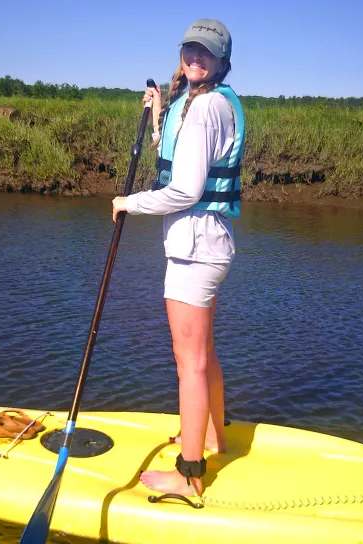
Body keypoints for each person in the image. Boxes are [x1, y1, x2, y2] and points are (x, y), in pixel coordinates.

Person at [111, 18, 245, 498]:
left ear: (222, 63)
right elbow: (172, 154)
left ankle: (190, 475)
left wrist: (131, 203)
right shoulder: (206, 104)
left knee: (188, 361)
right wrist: (157, 114)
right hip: (208, 245)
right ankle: (211, 435)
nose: (195, 57)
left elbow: (184, 189)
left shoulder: (206, 108)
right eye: (190, 49)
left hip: (195, 251)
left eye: (205, 52)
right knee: (203, 353)